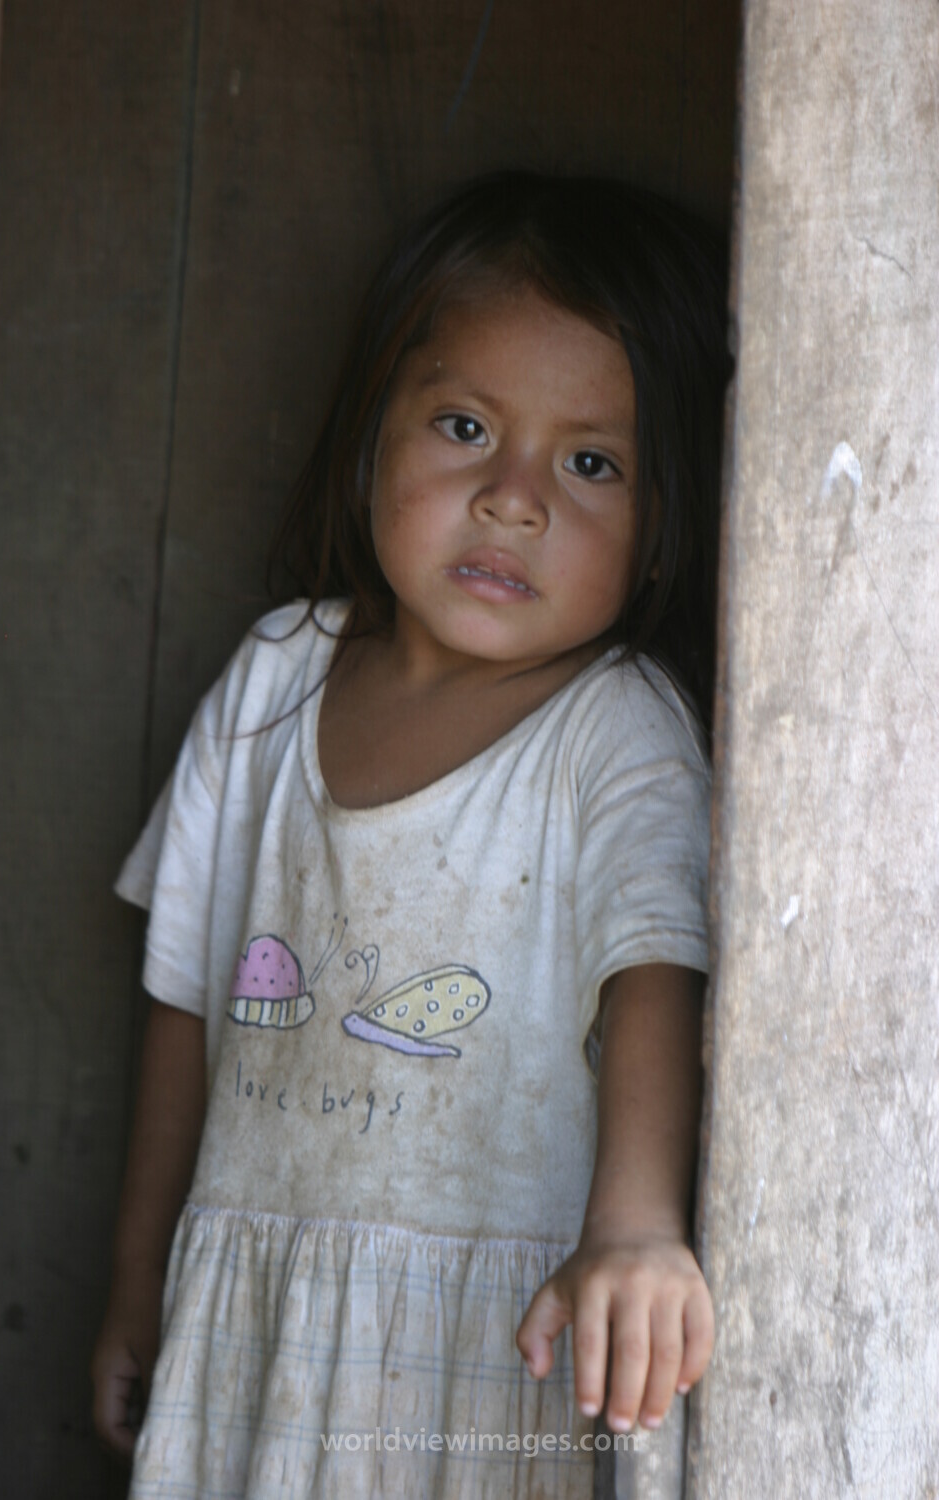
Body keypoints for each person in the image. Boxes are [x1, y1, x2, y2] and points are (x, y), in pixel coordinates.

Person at [91, 170, 729, 1498]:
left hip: (488, 1360)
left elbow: (655, 980)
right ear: (373, 431)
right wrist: (141, 1281)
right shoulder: (275, 682)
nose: (512, 498)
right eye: (463, 426)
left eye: (592, 462)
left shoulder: (617, 733)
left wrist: (635, 1229)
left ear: (671, 525)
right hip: (250, 1328)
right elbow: (184, 1006)